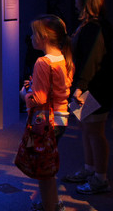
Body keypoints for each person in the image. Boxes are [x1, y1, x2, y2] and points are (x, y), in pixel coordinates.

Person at [61, 0, 113, 195]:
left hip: (95, 87)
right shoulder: (88, 25)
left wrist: (80, 87)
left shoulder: (95, 28)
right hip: (87, 86)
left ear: (85, 0)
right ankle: (89, 169)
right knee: (86, 129)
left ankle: (101, 178)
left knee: (95, 132)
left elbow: (92, 60)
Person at [20, 15, 74, 211]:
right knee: (48, 168)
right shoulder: (64, 58)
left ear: (44, 36)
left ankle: (50, 206)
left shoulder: (43, 62)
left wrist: (25, 94)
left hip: (46, 123)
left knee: (43, 171)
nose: (31, 37)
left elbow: (40, 99)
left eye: (34, 33)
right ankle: (50, 202)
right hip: (61, 119)